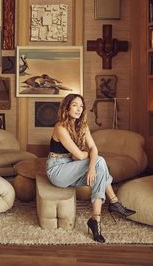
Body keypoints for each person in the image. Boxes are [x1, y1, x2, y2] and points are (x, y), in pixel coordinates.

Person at [46, 93, 136, 243]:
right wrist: (91, 160)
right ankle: (114, 202)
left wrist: (91, 168)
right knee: (99, 162)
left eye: (81, 106)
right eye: (75, 105)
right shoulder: (60, 127)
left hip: (71, 167)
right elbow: (81, 156)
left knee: (99, 171)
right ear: (66, 107)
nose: (79, 109)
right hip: (57, 171)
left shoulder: (82, 126)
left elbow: (94, 148)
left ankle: (96, 221)